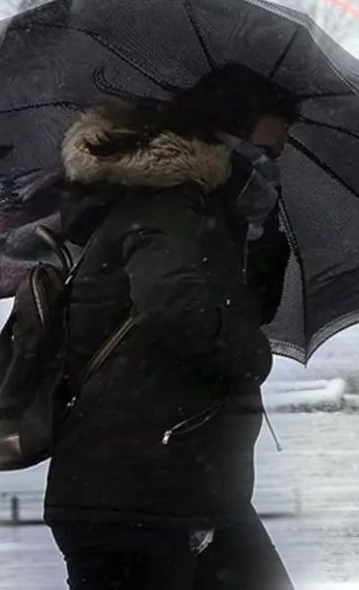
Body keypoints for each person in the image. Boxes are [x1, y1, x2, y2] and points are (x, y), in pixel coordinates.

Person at [46, 64, 297, 589]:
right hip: (138, 490)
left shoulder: (202, 213)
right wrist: (254, 356)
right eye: (263, 152)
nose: (269, 166)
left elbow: (241, 305)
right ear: (221, 142)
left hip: (180, 481)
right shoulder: (166, 208)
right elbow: (174, 310)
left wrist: (261, 234)